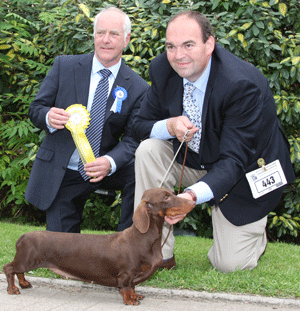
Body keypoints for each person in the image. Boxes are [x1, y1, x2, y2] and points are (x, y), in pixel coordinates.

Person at [132, 11, 295, 273]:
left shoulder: (242, 84)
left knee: (230, 265)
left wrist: (189, 197)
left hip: (245, 172)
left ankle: (255, 239)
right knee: (148, 149)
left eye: (188, 45)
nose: (178, 55)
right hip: (197, 158)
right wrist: (170, 125)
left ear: (210, 44)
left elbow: (233, 161)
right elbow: (138, 126)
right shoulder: (163, 69)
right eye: (171, 46)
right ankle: (158, 252)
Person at [25, 7, 149, 233]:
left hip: (107, 168)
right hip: (65, 170)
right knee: (63, 254)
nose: (106, 40)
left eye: (114, 34)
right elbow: (35, 109)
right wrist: (48, 117)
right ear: (93, 35)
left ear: (127, 39)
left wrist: (110, 162)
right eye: (100, 33)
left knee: (142, 166)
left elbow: (133, 139)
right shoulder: (64, 66)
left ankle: (129, 241)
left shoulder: (139, 88)